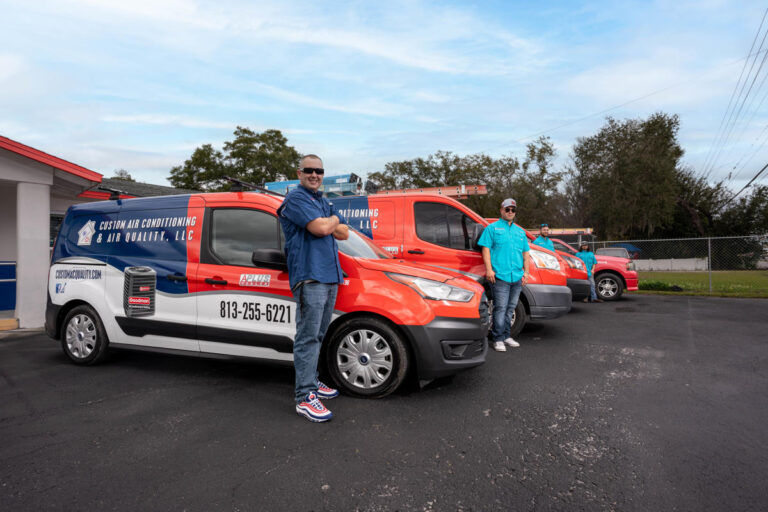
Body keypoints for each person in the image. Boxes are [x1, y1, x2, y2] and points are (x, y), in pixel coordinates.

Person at [277, 154, 349, 422]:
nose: (314, 175)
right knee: (307, 337)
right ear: (299, 173)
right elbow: (322, 228)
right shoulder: (296, 199)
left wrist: (329, 221)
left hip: (329, 276)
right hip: (310, 277)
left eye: (319, 170)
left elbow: (345, 233)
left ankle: (312, 380)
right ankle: (304, 397)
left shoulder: (320, 200)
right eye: (309, 170)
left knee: (318, 335)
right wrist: (331, 219)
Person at [477, 198, 531, 352]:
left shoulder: (520, 232)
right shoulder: (492, 229)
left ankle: (507, 336)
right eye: (507, 209)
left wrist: (526, 272)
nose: (510, 212)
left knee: (510, 308)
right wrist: (489, 270)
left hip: (517, 277)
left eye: (513, 210)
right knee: (500, 308)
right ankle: (498, 338)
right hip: (500, 276)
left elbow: (526, 253)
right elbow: (485, 249)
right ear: (501, 210)